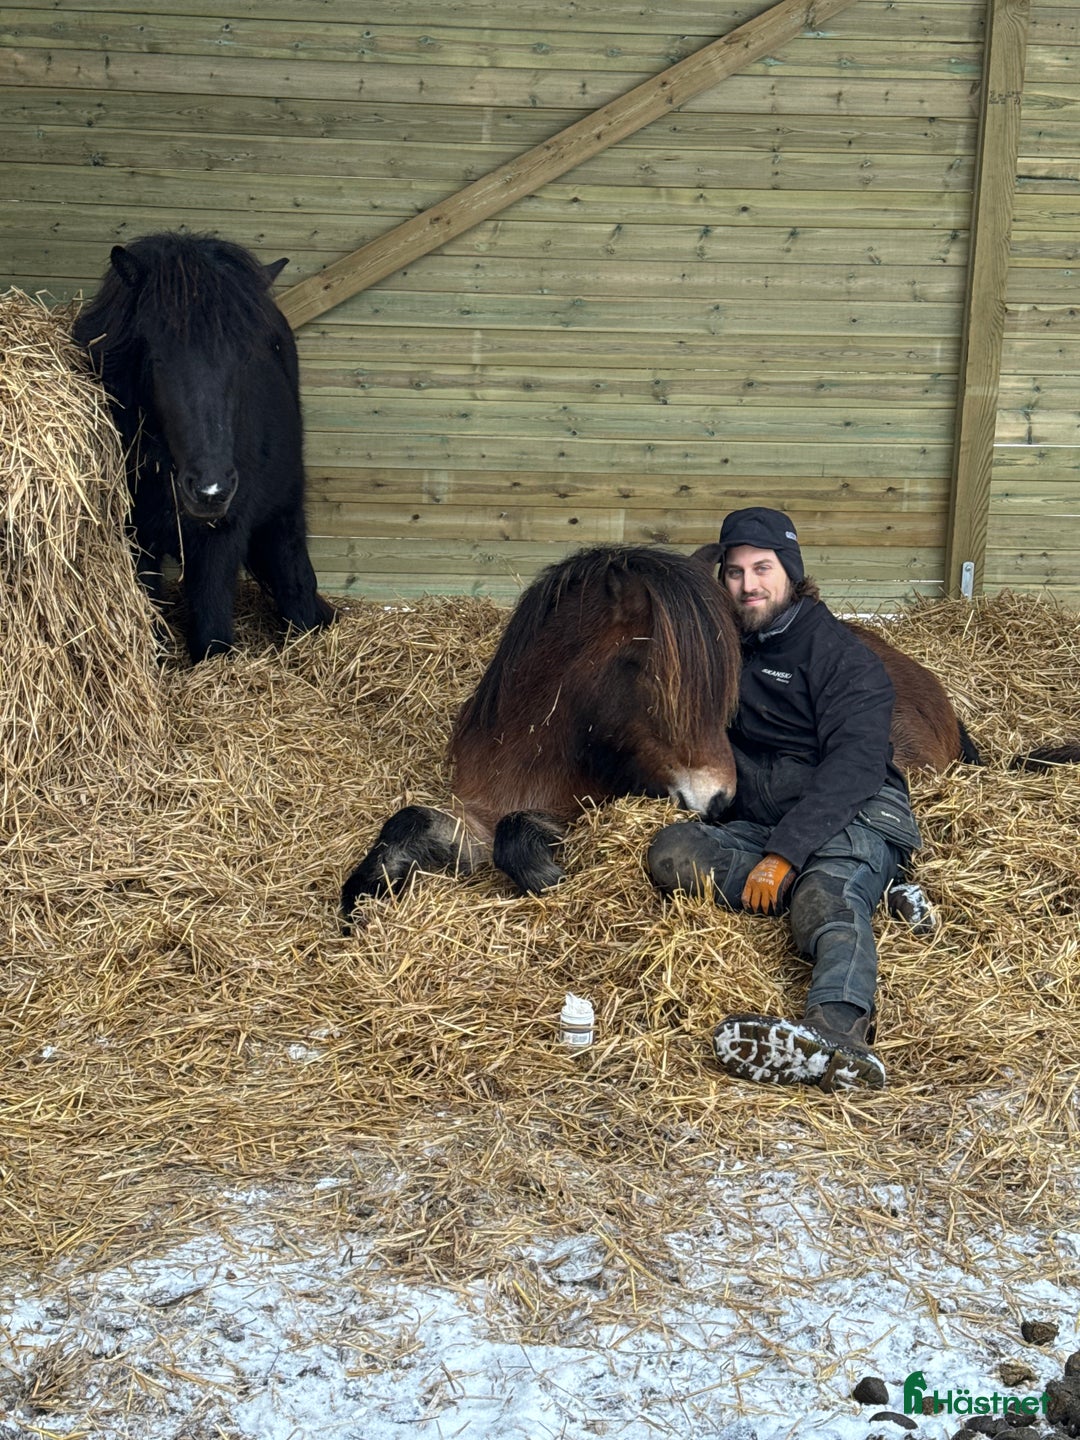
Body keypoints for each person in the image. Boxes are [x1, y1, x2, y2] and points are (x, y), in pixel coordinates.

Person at [647, 507, 922, 1091]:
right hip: (770, 819)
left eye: (763, 568)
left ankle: (838, 1035)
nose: (749, 586)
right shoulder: (731, 648)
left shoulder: (843, 658)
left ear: (792, 573)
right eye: (736, 572)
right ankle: (875, 886)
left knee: (825, 896)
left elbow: (855, 767)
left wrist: (785, 855)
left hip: (856, 811)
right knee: (673, 853)